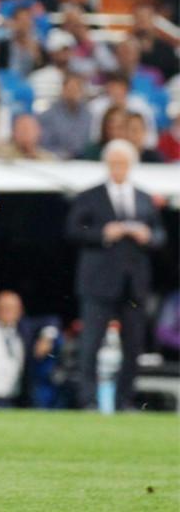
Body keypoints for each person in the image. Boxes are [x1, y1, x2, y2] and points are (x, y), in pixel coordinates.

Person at [66, 140, 167, 411]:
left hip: (134, 284)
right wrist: (102, 234)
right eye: (115, 162)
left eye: (124, 163)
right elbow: (73, 231)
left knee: (133, 347)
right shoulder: (90, 196)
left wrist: (148, 236)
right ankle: (88, 400)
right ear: (107, 164)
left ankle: (125, 400)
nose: (119, 168)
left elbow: (160, 236)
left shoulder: (144, 197)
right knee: (91, 345)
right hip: (98, 283)